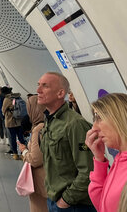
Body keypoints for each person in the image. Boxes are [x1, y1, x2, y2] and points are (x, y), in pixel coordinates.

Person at [37, 72, 94, 211]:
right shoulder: (51, 120)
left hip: (74, 205)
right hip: (55, 199)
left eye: (45, 86)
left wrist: (66, 200)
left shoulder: (75, 124)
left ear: (60, 93)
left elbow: (89, 170)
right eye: (38, 85)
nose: (38, 90)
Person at [85, 93, 127, 212]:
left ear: (119, 117)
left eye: (99, 118)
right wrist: (99, 159)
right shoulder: (120, 158)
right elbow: (101, 203)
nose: (94, 128)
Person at [18, 94, 48, 212]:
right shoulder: (47, 124)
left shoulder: (38, 130)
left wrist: (24, 151)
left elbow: (35, 159)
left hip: (40, 181)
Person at [2, 87, 26, 158]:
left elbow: (3, 110)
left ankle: (15, 154)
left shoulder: (7, 99)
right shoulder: (18, 97)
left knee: (12, 138)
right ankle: (23, 153)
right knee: (21, 138)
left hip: (11, 122)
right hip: (19, 121)